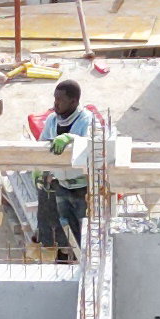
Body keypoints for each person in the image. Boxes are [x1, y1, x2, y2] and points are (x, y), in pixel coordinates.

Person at [32, 76, 96, 259]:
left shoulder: (87, 121)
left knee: (82, 227)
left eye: (60, 99)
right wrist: (39, 167)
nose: (55, 103)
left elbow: (92, 145)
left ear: (73, 102)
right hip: (61, 183)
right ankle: (65, 256)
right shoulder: (53, 120)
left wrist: (72, 138)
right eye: (55, 98)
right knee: (64, 224)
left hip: (82, 187)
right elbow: (42, 146)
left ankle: (83, 259)